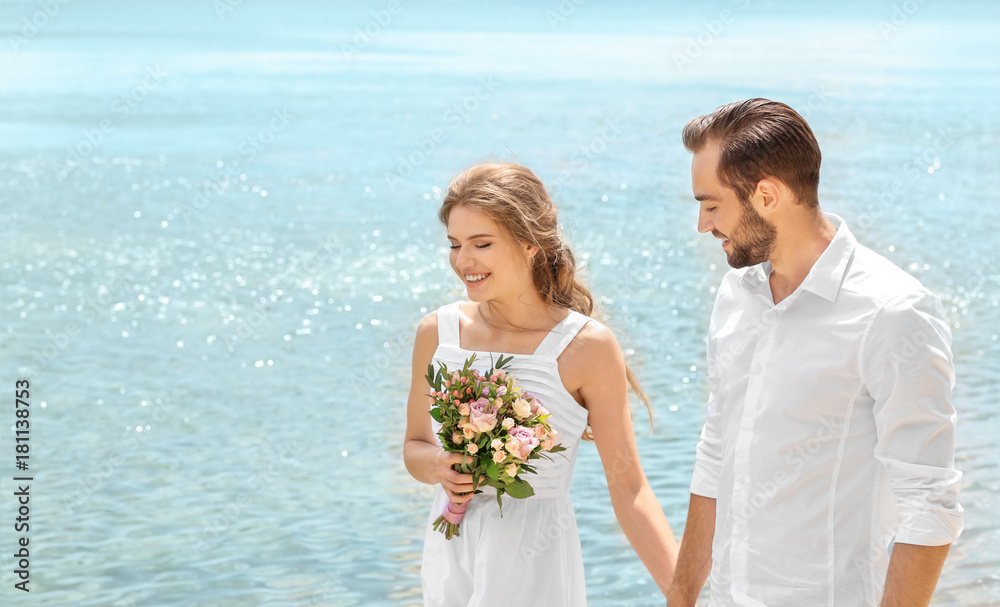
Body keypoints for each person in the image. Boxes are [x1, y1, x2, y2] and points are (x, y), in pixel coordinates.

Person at [665, 98, 964, 606]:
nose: (702, 225)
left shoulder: (893, 311)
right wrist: (681, 597)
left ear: (767, 195)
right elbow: (717, 451)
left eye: (711, 205)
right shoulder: (737, 295)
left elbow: (928, 500)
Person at [403, 162, 678, 605]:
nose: (463, 261)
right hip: (452, 553)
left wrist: (682, 593)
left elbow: (629, 488)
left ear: (530, 243)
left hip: (534, 564)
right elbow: (414, 447)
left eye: (482, 243)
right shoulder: (436, 333)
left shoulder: (587, 347)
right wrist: (439, 465)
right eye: (454, 245)